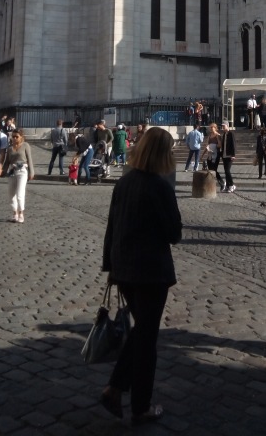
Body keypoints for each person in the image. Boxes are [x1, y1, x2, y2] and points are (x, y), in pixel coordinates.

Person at [100, 127, 182, 424]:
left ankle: (115, 389)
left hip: (124, 269)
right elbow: (174, 233)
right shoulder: (160, 186)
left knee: (142, 332)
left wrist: (110, 267)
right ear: (163, 154)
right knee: (147, 339)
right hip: (151, 272)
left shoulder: (124, 182)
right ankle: (139, 405)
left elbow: (112, 227)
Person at [5, 129, 35, 223]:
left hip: (22, 171)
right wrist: (2, 171)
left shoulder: (25, 145)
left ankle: (21, 213)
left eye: (16, 137)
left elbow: (29, 159)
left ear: (21, 137)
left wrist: (31, 172)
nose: (14, 138)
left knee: (20, 194)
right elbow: (7, 162)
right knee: (11, 194)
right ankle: (15, 213)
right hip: (12, 171)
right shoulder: (10, 148)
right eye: (13, 136)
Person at [219, 121, 236, 192]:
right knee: (226, 171)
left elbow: (233, 144)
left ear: (227, 126)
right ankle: (227, 186)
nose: (223, 127)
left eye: (224, 126)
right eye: (222, 126)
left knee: (227, 171)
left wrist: (233, 155)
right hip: (224, 155)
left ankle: (232, 185)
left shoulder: (231, 134)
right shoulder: (224, 134)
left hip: (229, 155)